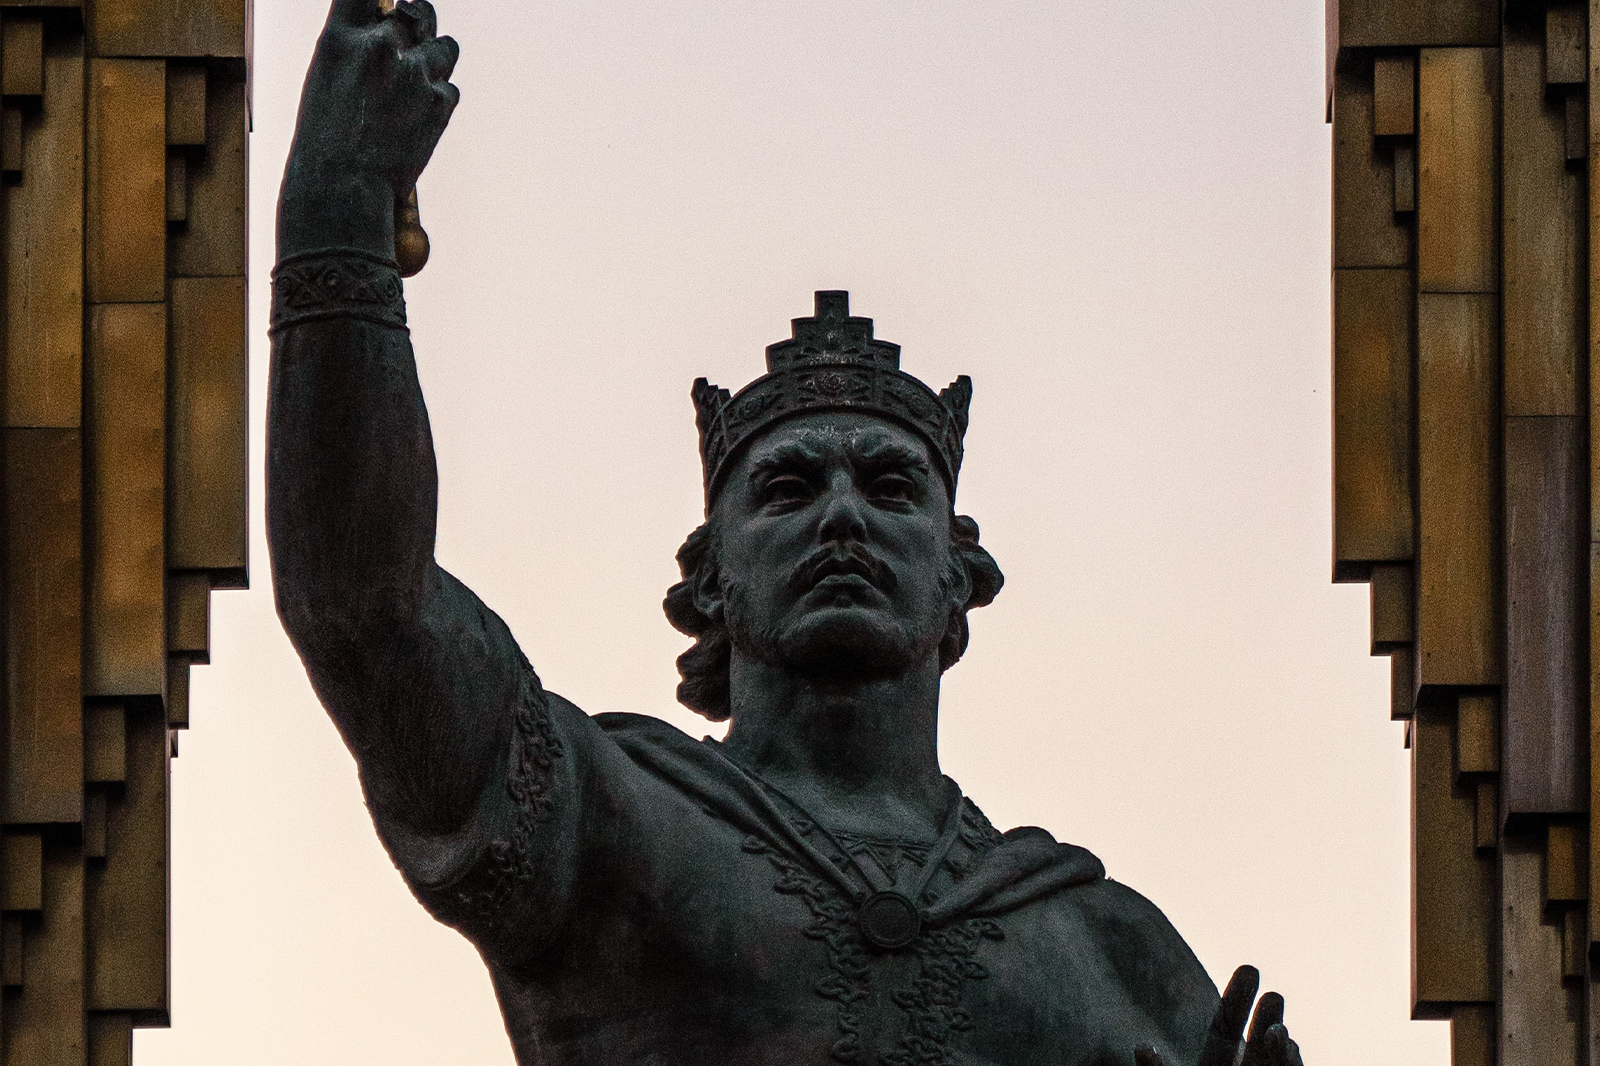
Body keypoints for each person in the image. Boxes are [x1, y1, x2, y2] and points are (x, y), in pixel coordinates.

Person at [267, 1, 1305, 1062]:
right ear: (711, 579)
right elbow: (366, 610)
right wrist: (337, 212)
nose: (843, 513)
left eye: (892, 486)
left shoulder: (1107, 946)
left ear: (957, 576)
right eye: (787, 488)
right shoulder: (611, 815)